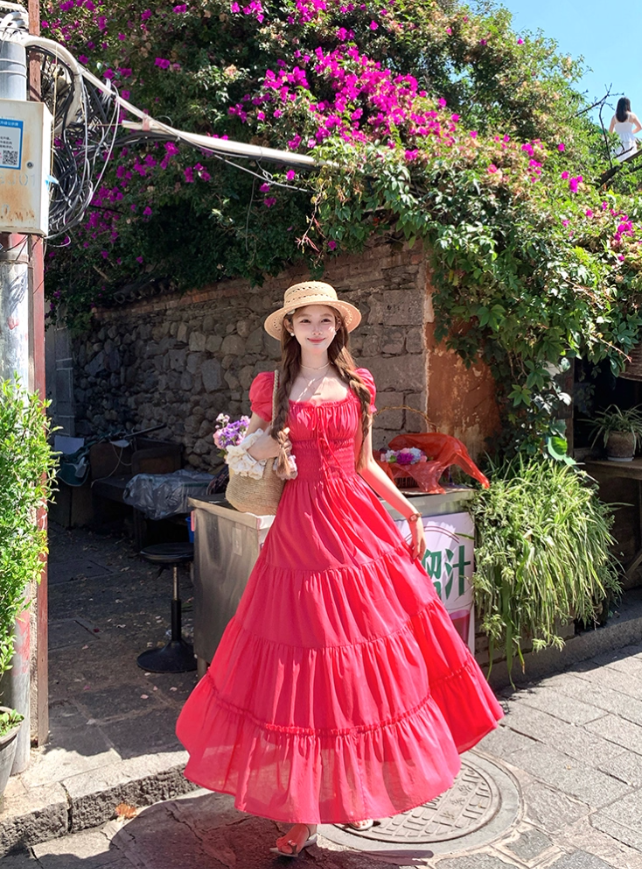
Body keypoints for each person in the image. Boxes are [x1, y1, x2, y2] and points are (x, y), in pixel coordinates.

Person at [176, 281, 503, 858]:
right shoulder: (272, 386)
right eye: (307, 320)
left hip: (356, 528)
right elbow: (243, 452)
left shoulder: (358, 383)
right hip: (301, 537)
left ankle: (363, 786)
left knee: (363, 662)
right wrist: (272, 449)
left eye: (327, 319)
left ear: (339, 327)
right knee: (303, 670)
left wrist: (409, 514)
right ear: (292, 328)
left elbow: (366, 464)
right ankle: (302, 812)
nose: (318, 329)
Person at [609, 97, 642, 163]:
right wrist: (631, 132)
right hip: (629, 139)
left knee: (618, 160)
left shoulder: (614, 117)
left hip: (618, 140)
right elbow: (640, 127)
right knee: (630, 158)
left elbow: (610, 132)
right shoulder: (632, 115)